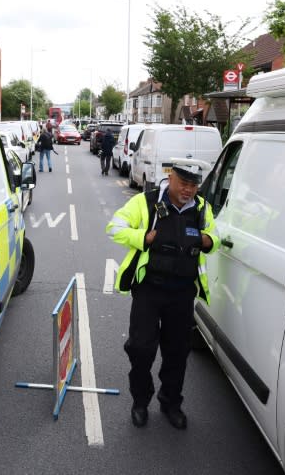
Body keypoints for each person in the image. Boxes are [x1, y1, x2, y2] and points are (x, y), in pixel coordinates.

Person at [105, 164, 219, 429]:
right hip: (149, 290)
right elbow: (114, 228)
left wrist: (207, 241)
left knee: (177, 353)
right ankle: (140, 402)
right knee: (141, 349)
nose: (189, 190)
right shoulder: (145, 202)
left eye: (194, 185)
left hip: (182, 292)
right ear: (171, 178)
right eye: (184, 183)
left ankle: (171, 403)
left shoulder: (202, 208)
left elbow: (216, 237)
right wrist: (143, 237)